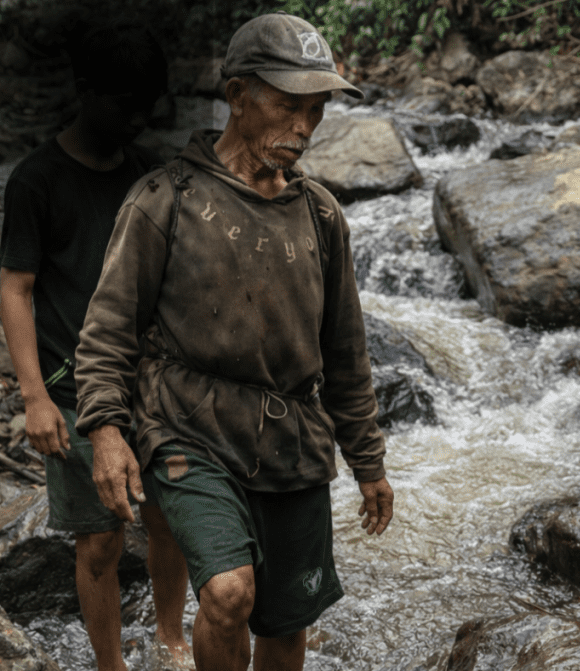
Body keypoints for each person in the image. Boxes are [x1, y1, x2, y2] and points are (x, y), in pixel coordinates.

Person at [73, 11, 395, 671]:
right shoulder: (164, 200)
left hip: (294, 440)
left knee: (285, 619)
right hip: (190, 427)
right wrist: (106, 429)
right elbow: (107, 331)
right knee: (227, 593)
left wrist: (369, 461)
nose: (303, 128)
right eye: (287, 106)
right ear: (238, 96)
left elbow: (345, 353)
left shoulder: (321, 215)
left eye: (316, 110)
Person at [0, 19, 194, 671]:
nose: (138, 118)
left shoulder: (145, 173)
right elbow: (15, 288)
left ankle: (171, 638)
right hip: (74, 391)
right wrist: (34, 398)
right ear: (85, 91)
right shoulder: (36, 181)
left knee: (170, 520)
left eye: (148, 106)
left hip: (155, 386)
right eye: (124, 104)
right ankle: (110, 664)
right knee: (100, 542)